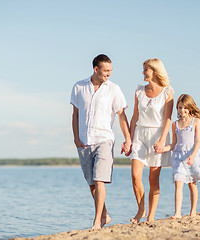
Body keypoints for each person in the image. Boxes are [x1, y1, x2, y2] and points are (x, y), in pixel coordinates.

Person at [70, 54, 131, 230]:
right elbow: (75, 115)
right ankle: (104, 214)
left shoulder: (114, 89)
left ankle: (97, 222)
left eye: (110, 71)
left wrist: (128, 139)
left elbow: (121, 116)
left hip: (105, 139)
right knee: (91, 183)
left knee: (99, 180)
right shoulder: (79, 87)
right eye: (106, 71)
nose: (109, 74)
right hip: (84, 141)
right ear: (96, 69)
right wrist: (76, 138)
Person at [129, 58, 174, 223]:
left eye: (145, 69)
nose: (143, 72)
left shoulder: (167, 92)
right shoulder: (139, 91)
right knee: (135, 176)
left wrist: (162, 141)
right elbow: (134, 117)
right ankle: (141, 209)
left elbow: (168, 119)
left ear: (155, 71)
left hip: (157, 135)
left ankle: (151, 216)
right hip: (140, 134)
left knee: (153, 179)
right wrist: (129, 139)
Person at [162, 94, 200, 218]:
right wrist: (163, 149)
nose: (182, 110)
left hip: (192, 155)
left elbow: (197, 142)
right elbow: (173, 144)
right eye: (180, 108)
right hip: (179, 157)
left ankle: (193, 211)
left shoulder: (196, 121)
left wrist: (192, 156)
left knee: (192, 184)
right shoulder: (175, 124)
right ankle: (177, 213)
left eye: (184, 108)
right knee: (178, 182)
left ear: (190, 107)